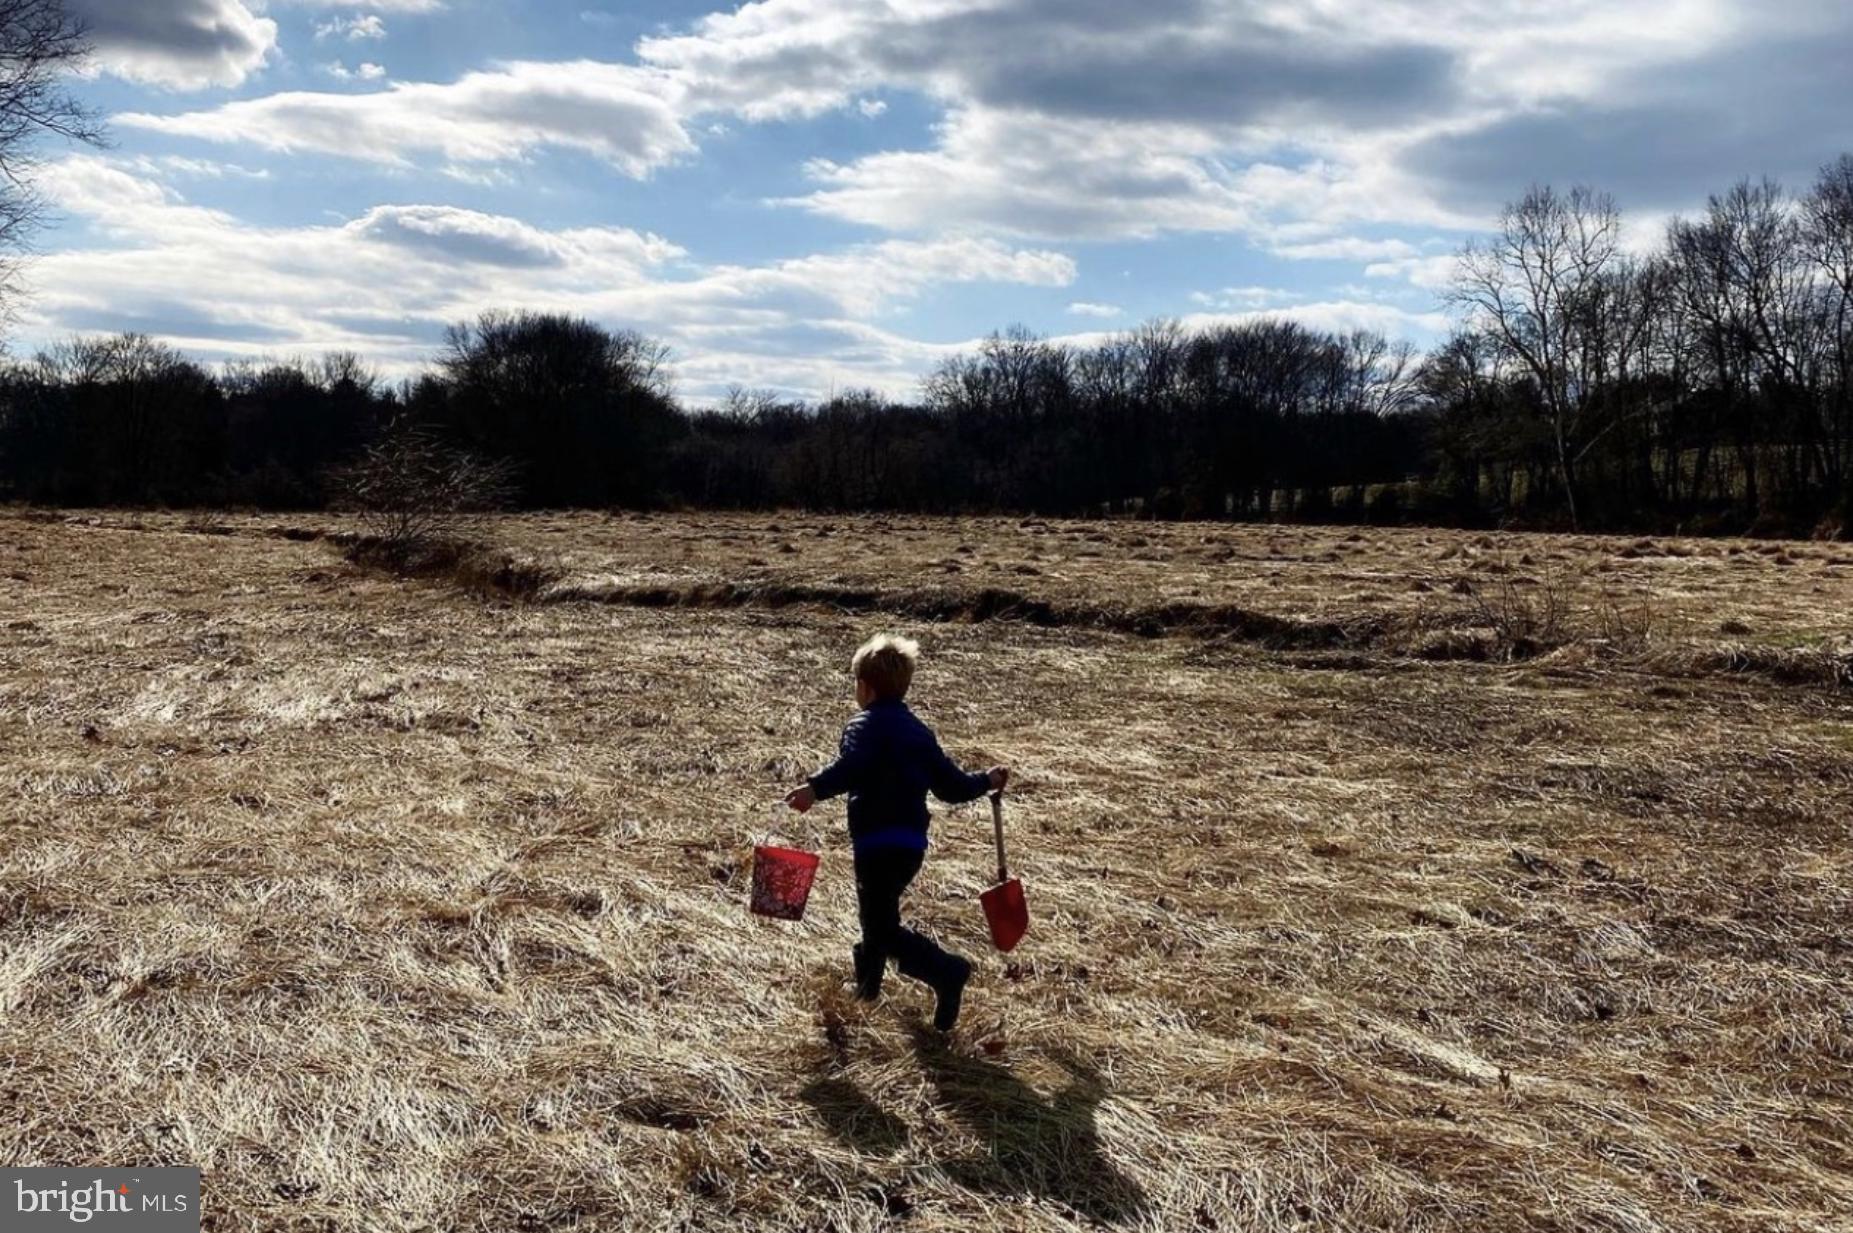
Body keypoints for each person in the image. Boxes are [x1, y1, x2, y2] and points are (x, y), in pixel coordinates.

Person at [785, 634, 1008, 1032]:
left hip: (876, 843)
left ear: (865, 687)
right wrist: (986, 780)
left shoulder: (863, 725)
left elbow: (853, 766)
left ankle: (947, 971)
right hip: (910, 846)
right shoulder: (919, 732)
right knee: (877, 917)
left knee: (880, 925)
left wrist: (813, 789)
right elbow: (951, 786)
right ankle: (866, 991)